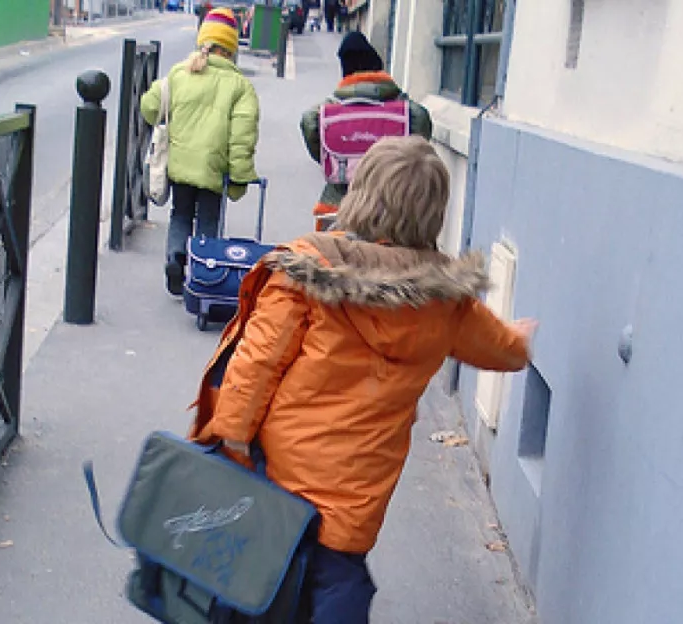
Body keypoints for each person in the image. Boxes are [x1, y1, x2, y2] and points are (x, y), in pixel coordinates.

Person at [187, 136, 536, 623]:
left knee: (256, 573)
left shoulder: (307, 272)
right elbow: (499, 349)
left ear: (362, 191)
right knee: (337, 575)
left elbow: (257, 362)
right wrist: (520, 343)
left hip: (278, 471)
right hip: (355, 492)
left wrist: (233, 438)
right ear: (433, 212)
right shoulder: (445, 302)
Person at [140, 8, 260, 296]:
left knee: (180, 214)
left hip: (180, 164)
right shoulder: (240, 87)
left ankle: (176, 258)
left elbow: (149, 106)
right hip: (214, 169)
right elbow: (242, 138)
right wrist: (241, 178)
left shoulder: (180, 73)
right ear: (232, 47)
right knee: (208, 220)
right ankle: (204, 273)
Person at [300, 31, 432, 231]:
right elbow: (421, 135)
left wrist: (333, 157)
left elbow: (308, 122)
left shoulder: (327, 112)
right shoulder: (408, 112)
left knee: (332, 256)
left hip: (339, 204)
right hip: (393, 207)